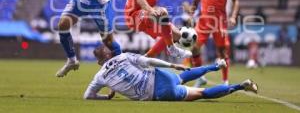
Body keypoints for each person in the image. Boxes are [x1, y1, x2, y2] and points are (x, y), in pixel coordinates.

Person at [83, 46, 258, 101]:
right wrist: (172, 65)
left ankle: (241, 86)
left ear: (99, 61)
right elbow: (149, 61)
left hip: (157, 93)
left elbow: (87, 96)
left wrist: (106, 97)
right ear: (110, 54)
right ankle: (215, 66)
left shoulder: (100, 76)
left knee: (201, 94)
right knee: (182, 76)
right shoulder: (123, 56)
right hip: (160, 76)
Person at [189, 0, 239, 86]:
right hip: (204, 21)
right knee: (194, 49)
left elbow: (236, 0)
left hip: (219, 22)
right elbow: (196, 0)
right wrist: (191, 12)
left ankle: (225, 81)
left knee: (222, 51)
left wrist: (233, 16)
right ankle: (200, 78)